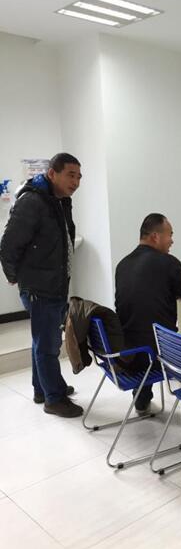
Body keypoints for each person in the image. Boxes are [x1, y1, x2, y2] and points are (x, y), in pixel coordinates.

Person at [0, 153, 83, 418]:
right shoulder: (33, 201)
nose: (76, 182)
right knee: (48, 344)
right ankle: (54, 398)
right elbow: (9, 243)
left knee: (43, 339)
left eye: (79, 177)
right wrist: (13, 275)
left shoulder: (58, 201)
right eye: (70, 175)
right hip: (40, 285)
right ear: (52, 174)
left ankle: (42, 388)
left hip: (52, 283)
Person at [115, 213, 181, 425]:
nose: (172, 241)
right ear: (155, 237)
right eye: (170, 235)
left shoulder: (122, 265)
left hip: (126, 354)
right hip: (157, 356)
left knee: (146, 332)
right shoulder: (169, 264)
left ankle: (141, 399)